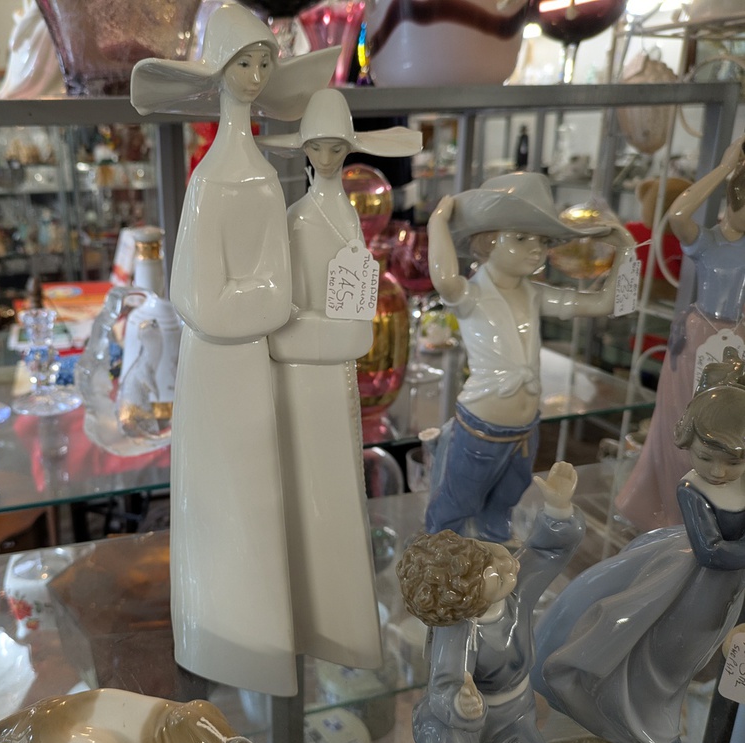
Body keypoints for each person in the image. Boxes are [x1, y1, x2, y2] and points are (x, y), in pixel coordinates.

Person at [129, 4, 338, 697]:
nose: (254, 75)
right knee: (219, 498)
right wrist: (259, 301)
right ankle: (222, 634)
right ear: (218, 70)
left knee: (255, 495)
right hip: (217, 367)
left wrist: (256, 300)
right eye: (243, 61)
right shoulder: (213, 178)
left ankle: (258, 640)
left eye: (264, 63)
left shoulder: (259, 174)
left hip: (246, 362)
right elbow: (197, 296)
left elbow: (272, 290)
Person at [256, 88, 421, 671]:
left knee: (338, 491)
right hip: (306, 379)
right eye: (318, 147)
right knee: (308, 486)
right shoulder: (296, 220)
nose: (327, 157)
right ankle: (309, 615)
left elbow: (353, 312)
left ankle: (338, 619)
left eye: (337, 147)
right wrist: (340, 333)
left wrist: (349, 333)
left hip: (336, 378)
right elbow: (285, 314)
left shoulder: (346, 214)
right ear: (304, 151)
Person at [533, 362, 745, 743]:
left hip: (732, 584)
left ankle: (663, 716)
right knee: (672, 652)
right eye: (705, 457)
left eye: (733, 462)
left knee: (701, 655)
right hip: (696, 581)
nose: (718, 471)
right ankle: (645, 718)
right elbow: (710, 551)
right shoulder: (693, 489)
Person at [425, 172, 628, 542]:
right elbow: (443, 279)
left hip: (525, 431)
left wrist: (625, 252)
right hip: (481, 429)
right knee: (456, 504)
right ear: (487, 241)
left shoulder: (535, 294)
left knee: (505, 503)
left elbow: (603, 303)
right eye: (520, 238)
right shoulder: (471, 295)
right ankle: (438, 560)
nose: (536, 249)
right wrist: (437, 222)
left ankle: (494, 559)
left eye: (542, 240)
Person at [398, 462, 586, 743]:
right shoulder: (459, 629)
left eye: (493, 553)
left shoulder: (516, 591)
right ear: (471, 604)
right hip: (472, 725)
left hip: (517, 716)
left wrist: (557, 509)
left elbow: (543, 553)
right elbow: (445, 681)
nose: (509, 565)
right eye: (499, 579)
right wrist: (460, 703)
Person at [616, 134, 745, 531]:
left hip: (738, 344)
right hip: (699, 337)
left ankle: (716, 517)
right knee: (684, 425)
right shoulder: (707, 242)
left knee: (729, 431)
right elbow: (677, 215)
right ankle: (676, 514)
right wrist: (724, 169)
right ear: (733, 201)